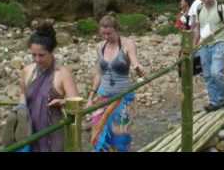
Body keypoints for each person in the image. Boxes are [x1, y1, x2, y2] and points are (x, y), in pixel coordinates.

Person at [88, 14, 146, 152]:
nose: (106, 37)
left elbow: (134, 61)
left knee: (120, 137)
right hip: (102, 97)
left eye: (109, 33)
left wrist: (138, 68)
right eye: (103, 34)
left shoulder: (127, 44)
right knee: (98, 136)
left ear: (116, 30)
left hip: (122, 97)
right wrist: (91, 96)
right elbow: (98, 73)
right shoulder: (100, 47)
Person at [19, 22, 79, 152]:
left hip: (53, 131)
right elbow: (23, 93)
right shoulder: (27, 71)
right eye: (33, 55)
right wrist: (21, 109)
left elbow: (76, 103)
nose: (37, 59)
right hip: (31, 130)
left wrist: (63, 102)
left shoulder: (63, 74)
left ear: (52, 52)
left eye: (41, 55)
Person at [194, 0, 224, 112]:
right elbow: (197, 28)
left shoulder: (221, 8)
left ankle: (222, 99)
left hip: (219, 43)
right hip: (204, 45)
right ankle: (214, 101)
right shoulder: (199, 8)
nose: (206, 1)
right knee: (207, 74)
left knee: (216, 72)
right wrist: (194, 45)